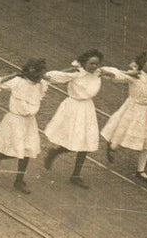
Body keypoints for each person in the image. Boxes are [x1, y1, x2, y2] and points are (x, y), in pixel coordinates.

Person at [42, 50, 108, 188]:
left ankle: (76, 175)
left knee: (86, 142)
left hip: (88, 109)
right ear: (84, 63)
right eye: (91, 63)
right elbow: (53, 76)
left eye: (97, 63)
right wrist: (67, 70)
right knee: (73, 139)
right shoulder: (75, 73)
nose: (94, 66)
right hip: (73, 108)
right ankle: (55, 152)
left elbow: (117, 73)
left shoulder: (98, 73)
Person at [100, 52, 147, 182]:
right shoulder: (134, 76)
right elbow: (114, 74)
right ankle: (112, 147)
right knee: (122, 131)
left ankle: (140, 170)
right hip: (133, 108)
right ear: (142, 64)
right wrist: (126, 73)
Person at [0, 59, 49, 193]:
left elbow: (55, 76)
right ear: (32, 71)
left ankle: (19, 181)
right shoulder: (17, 81)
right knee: (15, 149)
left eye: (42, 74)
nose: (41, 77)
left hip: (29, 122)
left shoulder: (40, 84)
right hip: (15, 120)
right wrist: (13, 75)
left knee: (27, 151)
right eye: (39, 74)